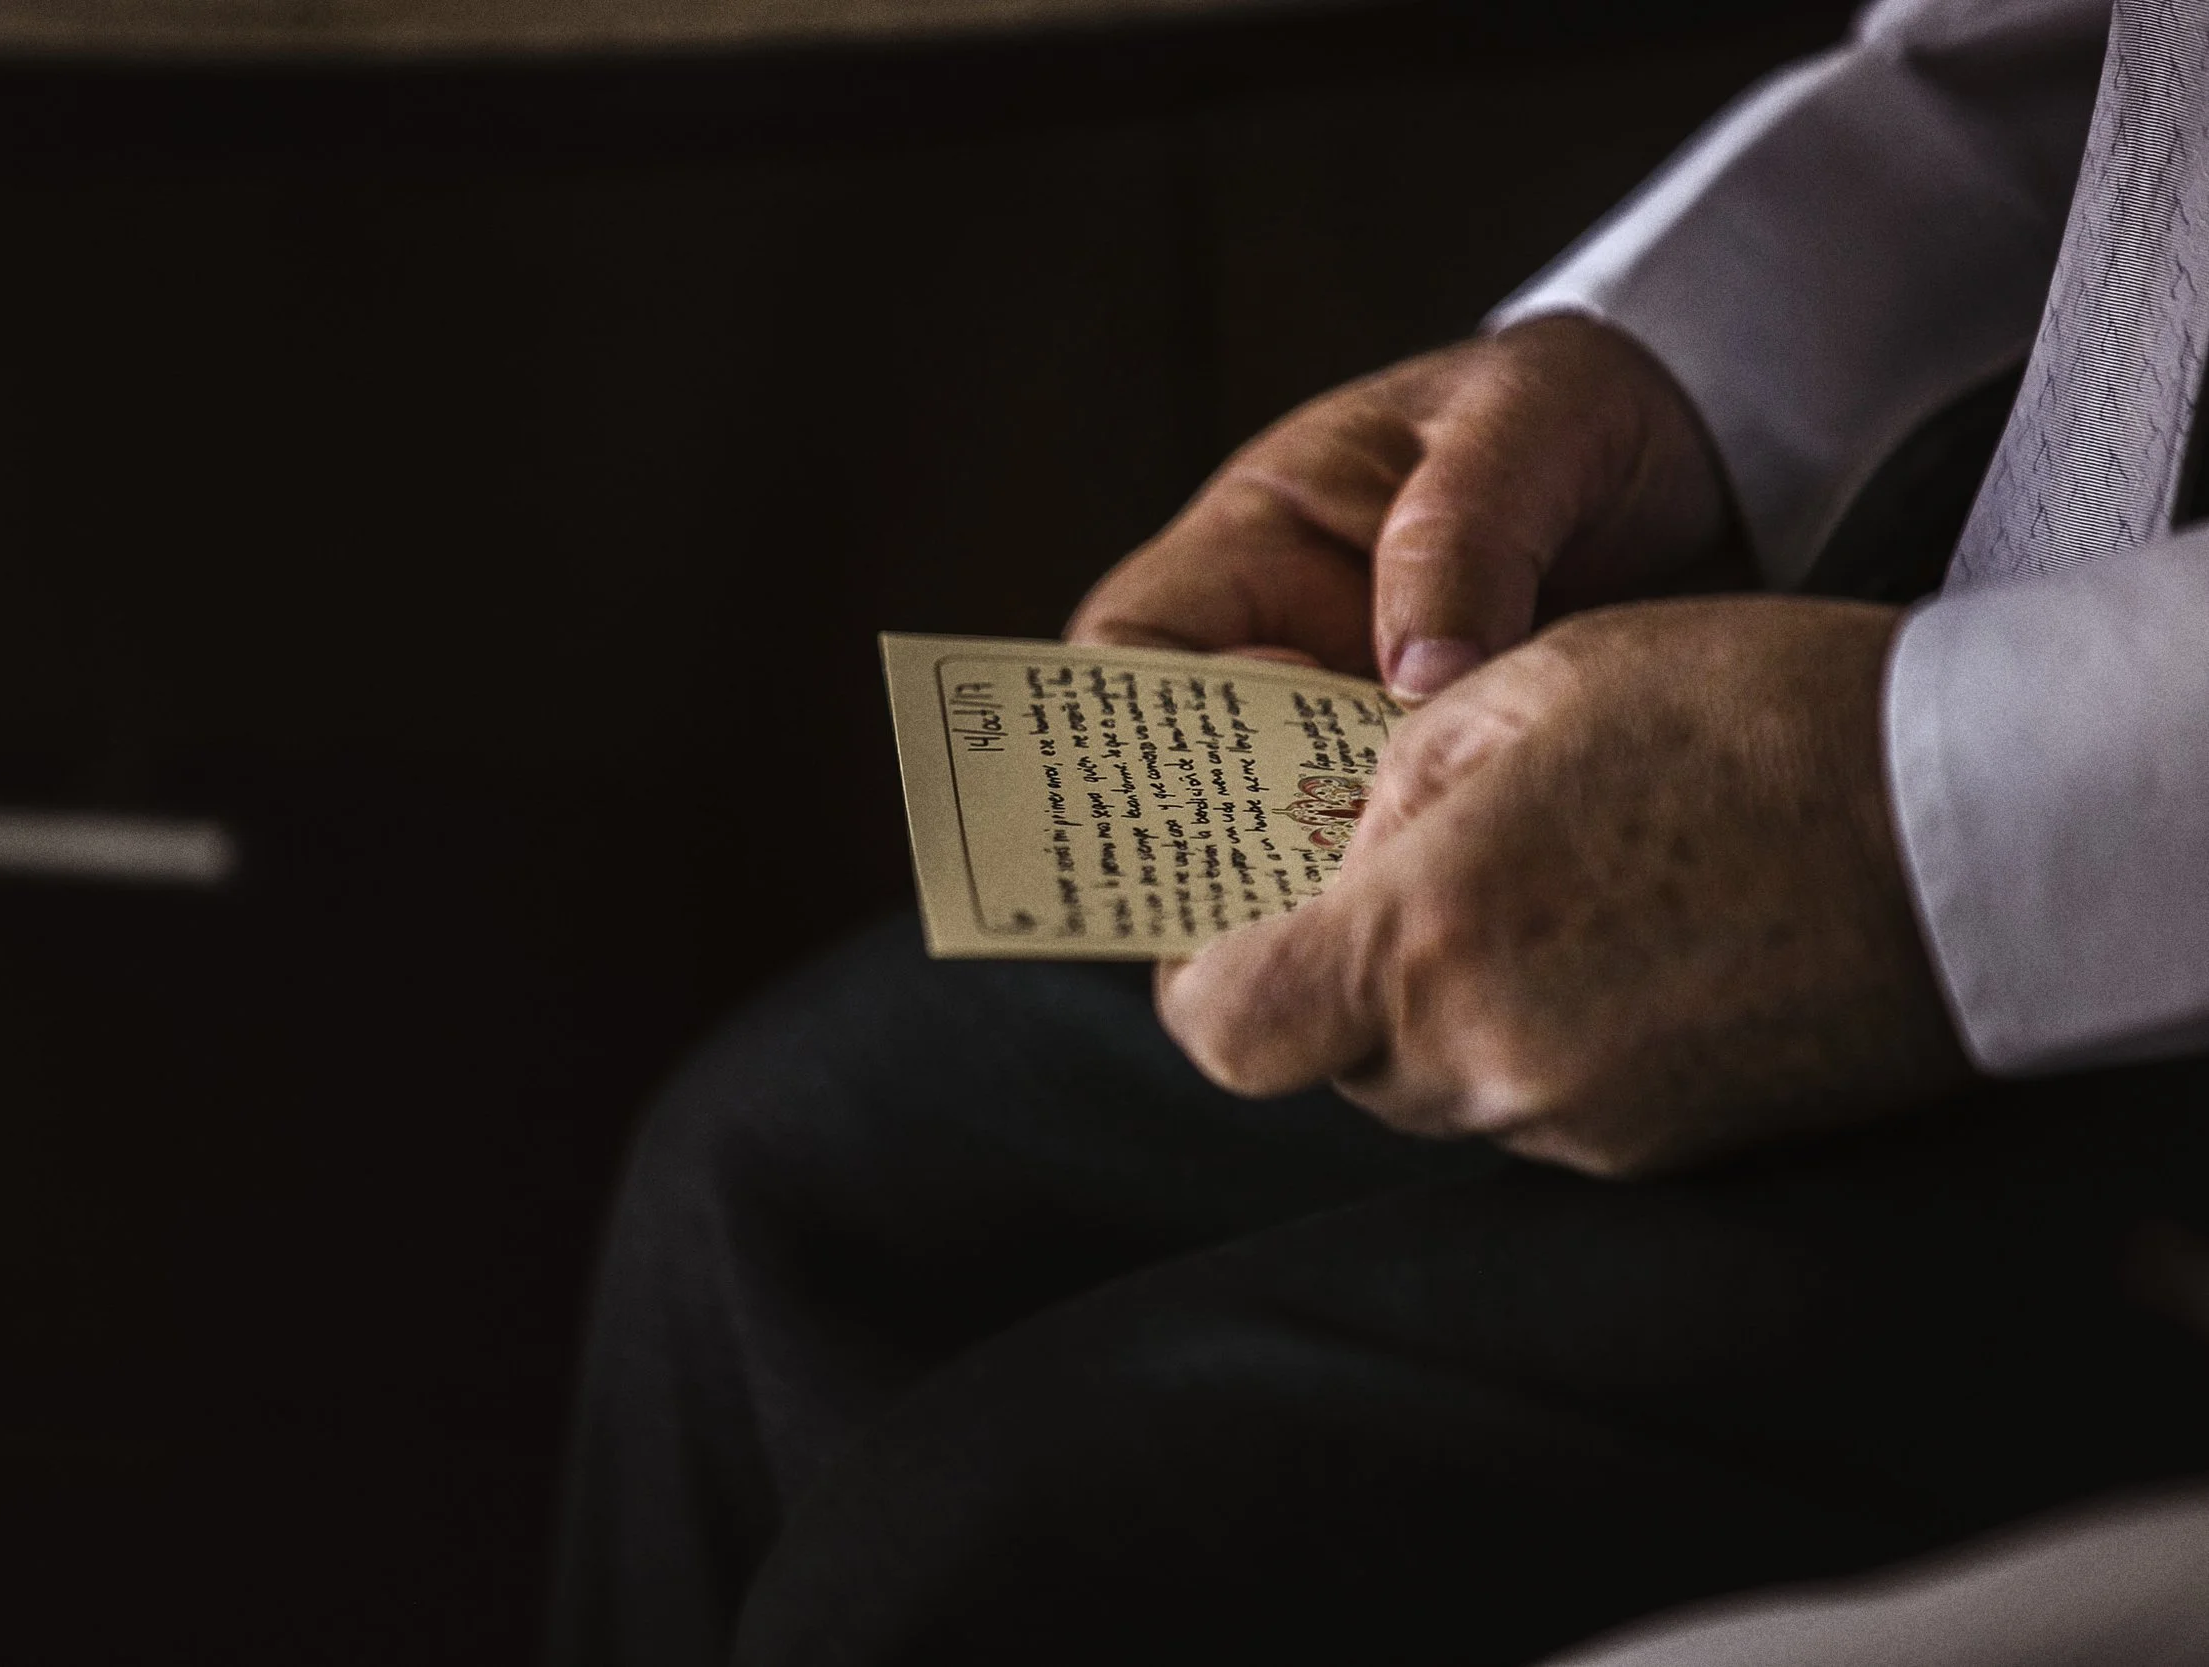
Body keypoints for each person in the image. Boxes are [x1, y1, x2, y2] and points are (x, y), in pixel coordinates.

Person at [548, 0, 2209, 1660]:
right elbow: (2092, 67)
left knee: (996, 1559)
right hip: (1973, 623)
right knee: (786, 1164)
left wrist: (1930, 809)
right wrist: (1667, 372)